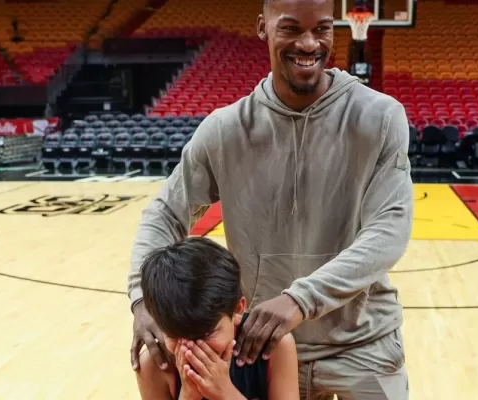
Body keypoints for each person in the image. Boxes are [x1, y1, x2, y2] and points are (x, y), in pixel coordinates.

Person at [128, 0, 414, 398]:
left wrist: (299, 299)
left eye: (322, 29)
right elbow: (164, 214)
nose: (310, 43)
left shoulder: (380, 117)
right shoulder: (225, 130)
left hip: (363, 343)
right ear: (263, 27)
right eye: (292, 29)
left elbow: (390, 230)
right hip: (263, 348)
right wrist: (143, 300)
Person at [136, 237, 299, 400]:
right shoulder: (153, 366)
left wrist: (226, 393)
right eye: (174, 337)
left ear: (237, 309)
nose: (192, 351)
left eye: (207, 334)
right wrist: (188, 396)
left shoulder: (276, 347)